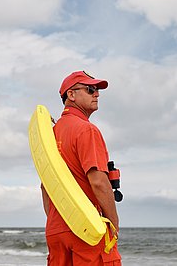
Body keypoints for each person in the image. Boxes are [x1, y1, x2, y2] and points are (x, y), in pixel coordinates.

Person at [41, 70, 122, 266]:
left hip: (56, 229)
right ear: (71, 94)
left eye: (97, 90)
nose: (97, 94)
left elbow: (45, 186)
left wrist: (61, 219)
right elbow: (99, 182)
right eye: (90, 89)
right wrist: (114, 224)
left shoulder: (51, 134)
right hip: (88, 229)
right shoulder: (86, 129)